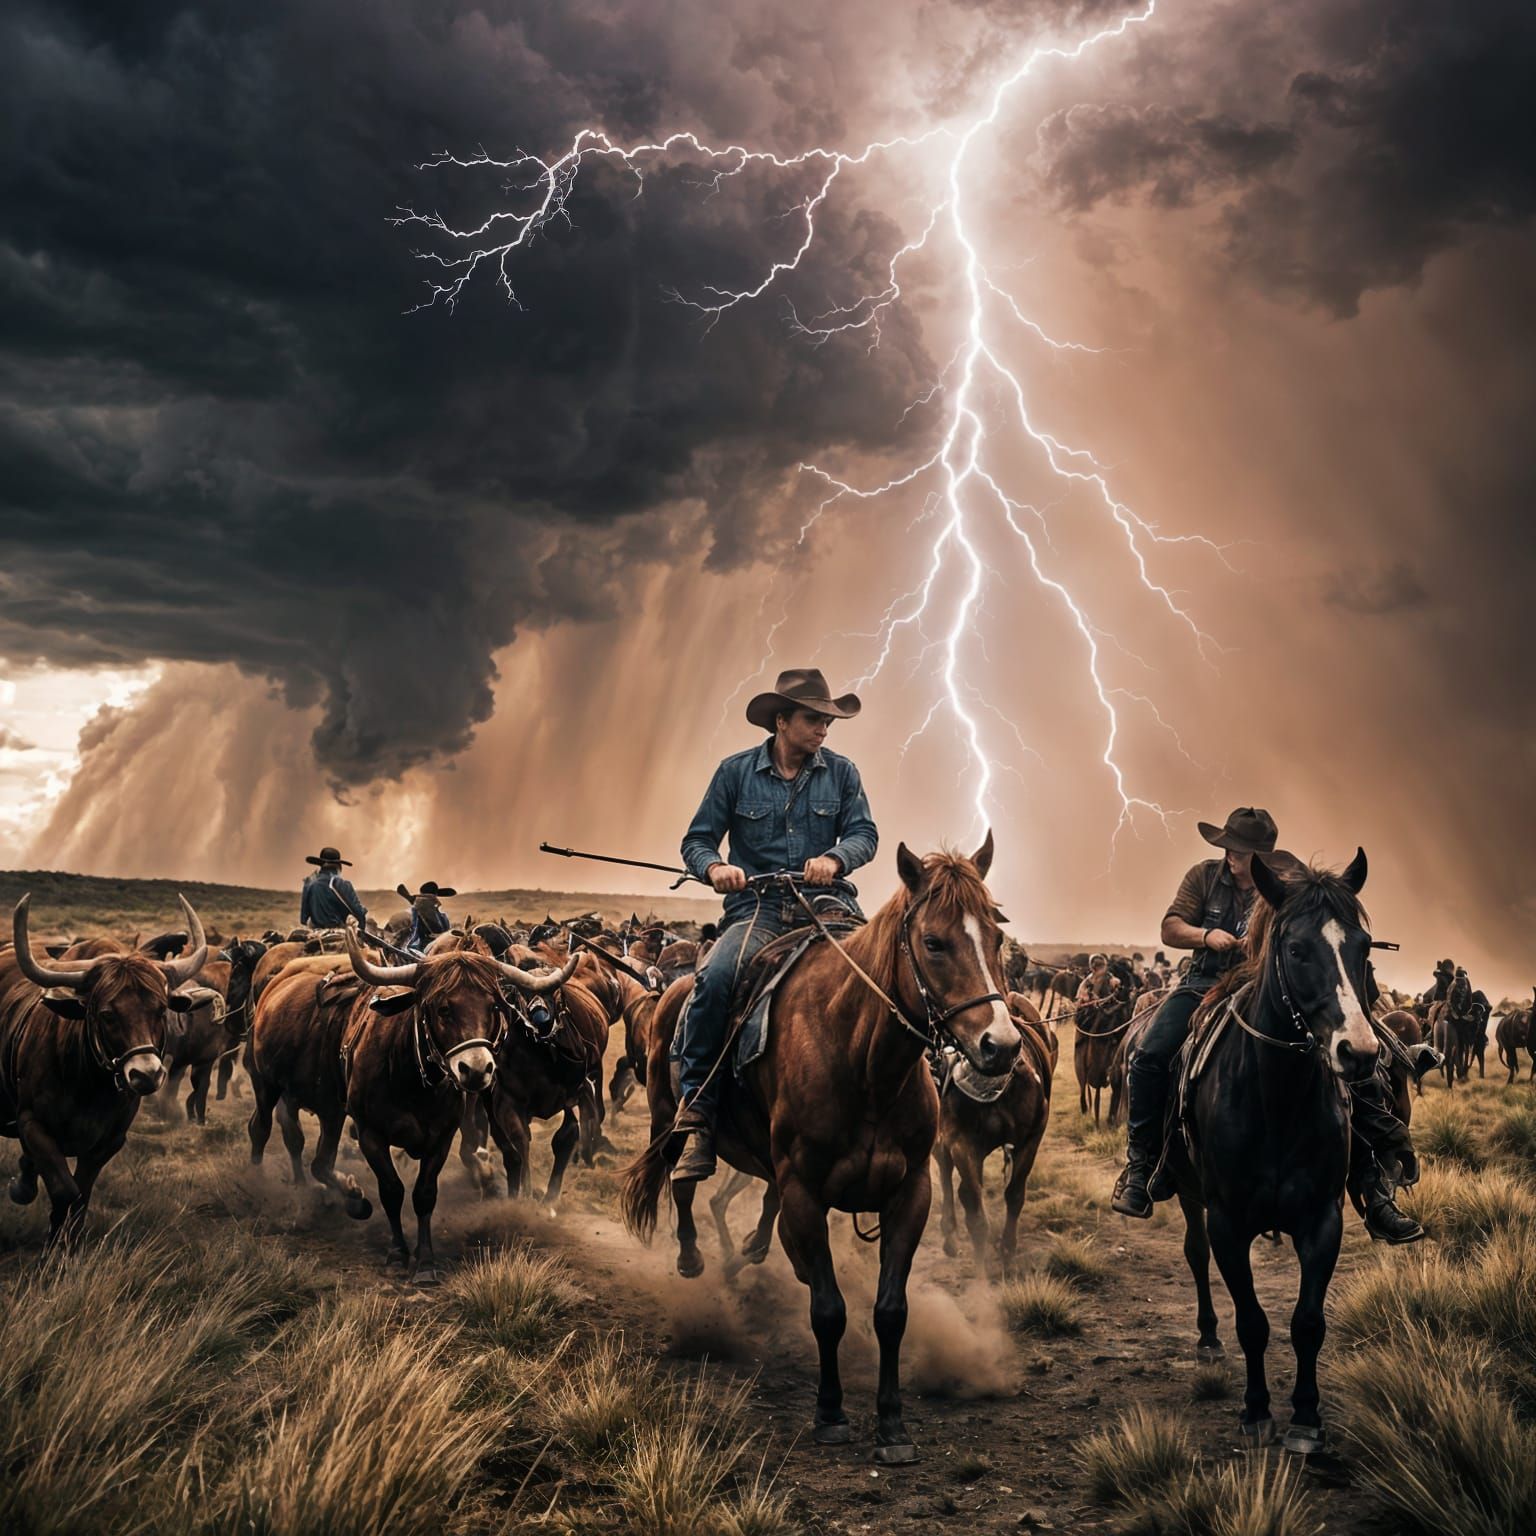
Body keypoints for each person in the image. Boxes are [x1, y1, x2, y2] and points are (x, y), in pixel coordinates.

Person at [1111, 806, 1423, 1244]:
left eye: (1243, 851)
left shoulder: (1289, 876)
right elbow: (1170, 927)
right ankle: (1143, 1164)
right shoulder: (1203, 876)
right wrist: (1206, 936)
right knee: (1149, 1054)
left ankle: (1374, 1183)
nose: (1234, 858)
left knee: (1366, 1055)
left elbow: (1318, 922)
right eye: (1232, 849)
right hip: (1205, 980)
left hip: (1272, 983)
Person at [670, 667, 879, 1183]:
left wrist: (835, 858)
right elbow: (697, 841)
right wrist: (716, 869)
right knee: (716, 979)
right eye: (814, 719)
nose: (824, 730)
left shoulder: (843, 773)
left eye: (828, 722)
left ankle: (917, 1092)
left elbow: (865, 835)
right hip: (758, 910)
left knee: (886, 972)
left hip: (829, 906)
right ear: (781, 721)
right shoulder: (734, 773)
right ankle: (697, 1110)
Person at [299, 846, 367, 930]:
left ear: (321, 865)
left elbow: (303, 920)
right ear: (339, 866)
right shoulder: (342, 884)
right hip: (337, 931)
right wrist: (362, 930)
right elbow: (359, 913)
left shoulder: (308, 883)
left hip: (315, 933)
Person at [404, 881, 455, 952]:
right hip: (423, 945)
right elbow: (436, 929)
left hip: (425, 943)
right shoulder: (426, 904)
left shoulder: (426, 904)